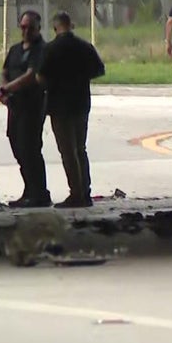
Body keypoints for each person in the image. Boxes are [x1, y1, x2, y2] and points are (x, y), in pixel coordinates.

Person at [37, 12, 105, 208]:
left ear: (56, 27)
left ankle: (76, 193)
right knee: (80, 148)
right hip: (81, 102)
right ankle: (86, 190)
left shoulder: (51, 49)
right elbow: (99, 70)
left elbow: (41, 77)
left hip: (60, 105)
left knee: (67, 151)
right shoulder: (85, 46)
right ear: (71, 25)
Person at [0, 10, 51, 208]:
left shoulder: (41, 50)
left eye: (30, 27)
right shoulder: (15, 49)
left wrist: (7, 88)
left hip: (32, 105)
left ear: (38, 28)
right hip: (15, 106)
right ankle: (29, 190)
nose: (26, 31)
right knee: (17, 146)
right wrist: (3, 89)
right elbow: (4, 71)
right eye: (23, 27)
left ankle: (40, 192)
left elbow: (31, 76)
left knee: (31, 149)